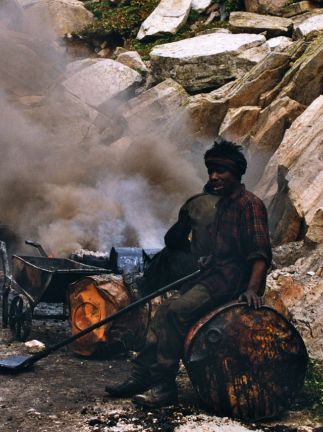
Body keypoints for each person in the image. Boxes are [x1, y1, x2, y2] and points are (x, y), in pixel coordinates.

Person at [105, 139, 272, 408]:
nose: (214, 177)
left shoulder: (250, 205)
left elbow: (260, 252)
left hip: (230, 282)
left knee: (175, 312)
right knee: (164, 312)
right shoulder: (224, 205)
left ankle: (164, 387)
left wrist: (252, 290)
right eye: (211, 171)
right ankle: (141, 375)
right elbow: (224, 248)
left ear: (237, 173)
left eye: (221, 171)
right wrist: (208, 258)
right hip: (213, 275)